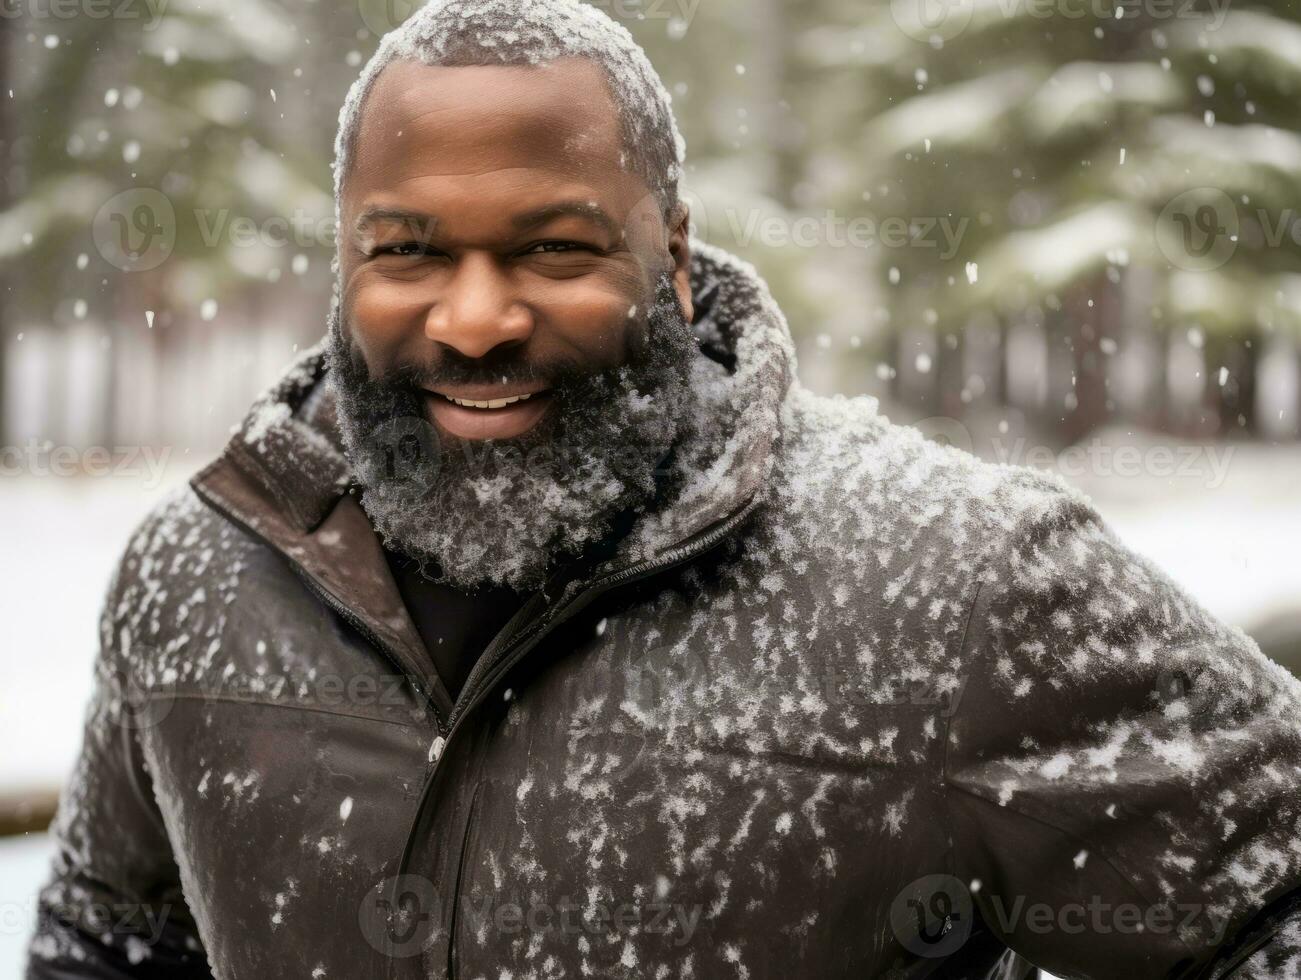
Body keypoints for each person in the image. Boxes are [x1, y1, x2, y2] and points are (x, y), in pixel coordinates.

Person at [27, 1, 1301, 977]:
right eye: (407, 250)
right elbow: (106, 939)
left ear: (674, 263)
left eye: (555, 247)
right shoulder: (192, 575)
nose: (474, 318)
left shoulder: (955, 579)